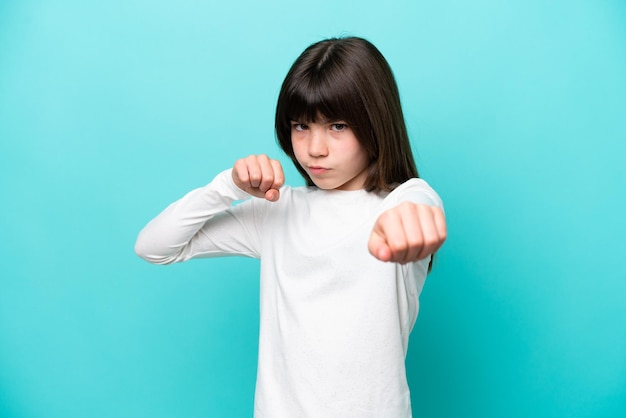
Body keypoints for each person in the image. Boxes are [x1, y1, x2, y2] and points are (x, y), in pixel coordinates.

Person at [135, 36, 446, 418]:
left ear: (375, 123)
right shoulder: (277, 212)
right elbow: (153, 246)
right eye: (301, 126)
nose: (315, 148)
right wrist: (226, 187)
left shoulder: (401, 202)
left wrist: (415, 222)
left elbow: (419, 205)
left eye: (337, 125)